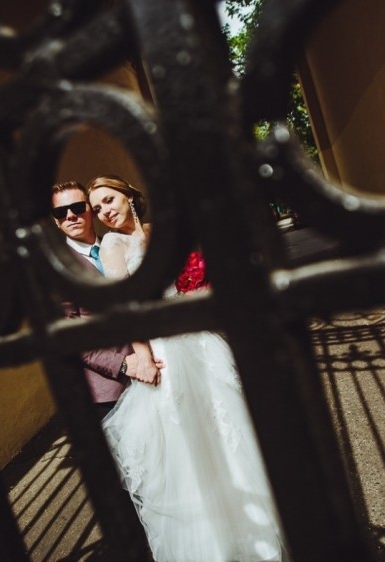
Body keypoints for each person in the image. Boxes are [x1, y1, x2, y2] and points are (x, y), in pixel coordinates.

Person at [86, 175, 288, 561]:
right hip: (163, 349)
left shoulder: (158, 232)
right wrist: (144, 356)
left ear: (128, 195)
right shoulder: (113, 245)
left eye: (109, 200)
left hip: (197, 340)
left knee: (228, 430)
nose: (104, 211)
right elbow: (126, 308)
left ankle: (256, 529)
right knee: (188, 445)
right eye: (97, 208)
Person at [51, 180, 163, 419]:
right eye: (61, 212)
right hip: (111, 390)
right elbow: (68, 335)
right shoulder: (56, 270)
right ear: (56, 221)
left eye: (77, 207)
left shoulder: (120, 242)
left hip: (161, 360)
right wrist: (123, 364)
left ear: (90, 210)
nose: (70, 216)